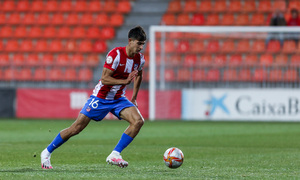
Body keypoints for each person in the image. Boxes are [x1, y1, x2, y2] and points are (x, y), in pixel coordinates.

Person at [41, 26, 146, 169]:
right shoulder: (116, 55)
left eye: (143, 44)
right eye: (139, 43)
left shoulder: (139, 59)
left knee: (138, 121)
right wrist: (124, 81)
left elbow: (139, 74)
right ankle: (47, 152)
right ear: (130, 41)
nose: (141, 47)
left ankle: (115, 154)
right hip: (100, 98)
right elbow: (104, 79)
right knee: (76, 128)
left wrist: (133, 97)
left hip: (118, 99)